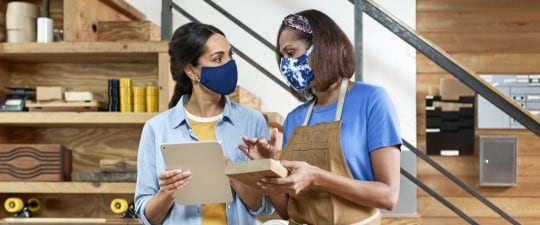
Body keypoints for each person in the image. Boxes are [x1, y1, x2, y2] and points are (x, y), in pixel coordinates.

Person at [239, 9, 402, 225]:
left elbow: (388, 196)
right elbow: (286, 210)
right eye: (282, 58)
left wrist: (317, 177)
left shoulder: (372, 100)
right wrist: (267, 168)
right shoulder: (295, 119)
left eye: (290, 53)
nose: (285, 65)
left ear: (320, 47)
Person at [134, 22, 273, 225]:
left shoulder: (253, 122)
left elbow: (261, 207)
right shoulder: (156, 129)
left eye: (230, 55)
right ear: (192, 71)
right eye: (218, 59)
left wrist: (230, 171)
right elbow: (147, 216)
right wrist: (167, 192)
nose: (229, 64)